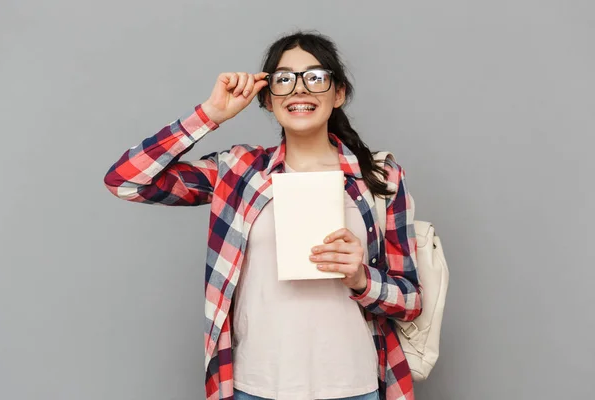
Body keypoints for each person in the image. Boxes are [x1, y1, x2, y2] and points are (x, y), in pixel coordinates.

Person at [104, 31, 422, 400]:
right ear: (267, 98)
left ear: (339, 94)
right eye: (284, 79)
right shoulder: (238, 171)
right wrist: (209, 115)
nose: (299, 90)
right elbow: (126, 180)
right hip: (256, 386)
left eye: (315, 77)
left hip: (355, 385)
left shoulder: (380, 177)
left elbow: (411, 301)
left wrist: (360, 278)